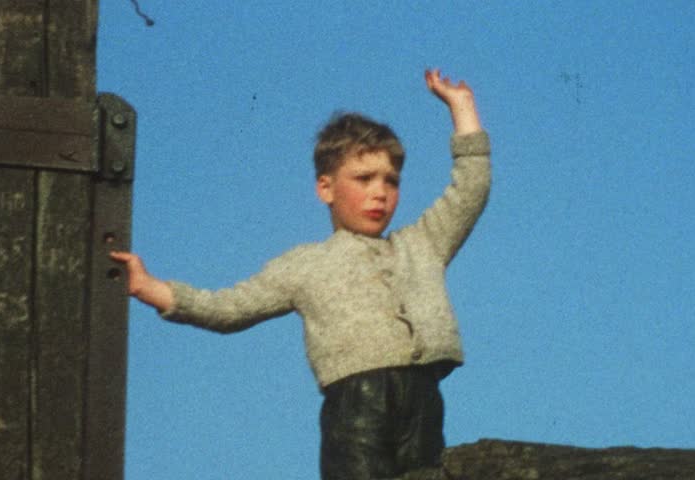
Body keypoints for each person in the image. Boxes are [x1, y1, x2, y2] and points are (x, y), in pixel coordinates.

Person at [110, 68, 491, 479]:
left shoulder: (422, 244)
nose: (379, 192)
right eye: (363, 179)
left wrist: (463, 109)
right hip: (356, 406)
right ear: (325, 188)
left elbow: (470, 189)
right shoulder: (305, 263)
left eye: (391, 181)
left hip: (423, 401)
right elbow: (230, 308)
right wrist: (152, 289)